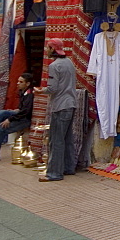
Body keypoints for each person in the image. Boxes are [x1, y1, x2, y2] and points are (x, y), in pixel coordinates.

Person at [39, 38, 77, 182]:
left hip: (60, 106)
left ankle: (54, 173)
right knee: (67, 139)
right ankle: (68, 167)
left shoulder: (54, 66)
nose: (46, 50)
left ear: (53, 49)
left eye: (48, 48)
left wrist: (40, 91)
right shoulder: (69, 63)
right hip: (71, 104)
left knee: (56, 140)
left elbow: (52, 88)